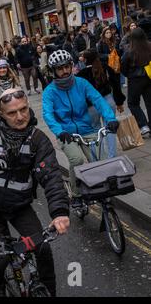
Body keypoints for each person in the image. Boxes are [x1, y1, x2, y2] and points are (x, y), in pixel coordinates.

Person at [0, 57, 70, 297]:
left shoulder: (38, 140)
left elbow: (51, 176)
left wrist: (59, 212)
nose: (19, 117)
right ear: (1, 114)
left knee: (42, 250)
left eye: (23, 110)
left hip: (18, 206)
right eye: (12, 113)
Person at [42, 49, 118, 209]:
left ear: (71, 66)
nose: (64, 71)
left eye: (67, 66)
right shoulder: (49, 92)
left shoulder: (81, 83)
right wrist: (59, 131)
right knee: (76, 159)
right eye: (60, 68)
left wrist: (111, 119)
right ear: (53, 71)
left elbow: (98, 100)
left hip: (87, 129)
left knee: (101, 161)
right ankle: (76, 195)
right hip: (66, 133)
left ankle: (101, 191)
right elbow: (48, 114)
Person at [77, 49, 122, 158]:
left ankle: (100, 155)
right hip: (108, 101)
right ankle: (112, 155)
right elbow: (116, 85)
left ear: (86, 60)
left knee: (96, 130)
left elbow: (79, 94)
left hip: (92, 106)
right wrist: (119, 102)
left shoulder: (81, 74)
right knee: (110, 128)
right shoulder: (105, 68)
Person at [121, 27, 151, 136]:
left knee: (133, 103)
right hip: (149, 77)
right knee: (149, 103)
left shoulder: (130, 50)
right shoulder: (149, 46)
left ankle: (143, 125)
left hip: (135, 80)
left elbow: (123, 66)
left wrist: (128, 75)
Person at [97, 27, 126, 108]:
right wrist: (108, 56)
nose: (108, 34)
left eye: (109, 32)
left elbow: (120, 51)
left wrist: (117, 52)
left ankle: (119, 101)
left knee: (117, 83)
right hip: (107, 66)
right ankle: (115, 102)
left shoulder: (114, 41)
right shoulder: (101, 43)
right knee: (112, 84)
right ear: (103, 34)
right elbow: (99, 55)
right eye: (106, 33)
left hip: (116, 65)